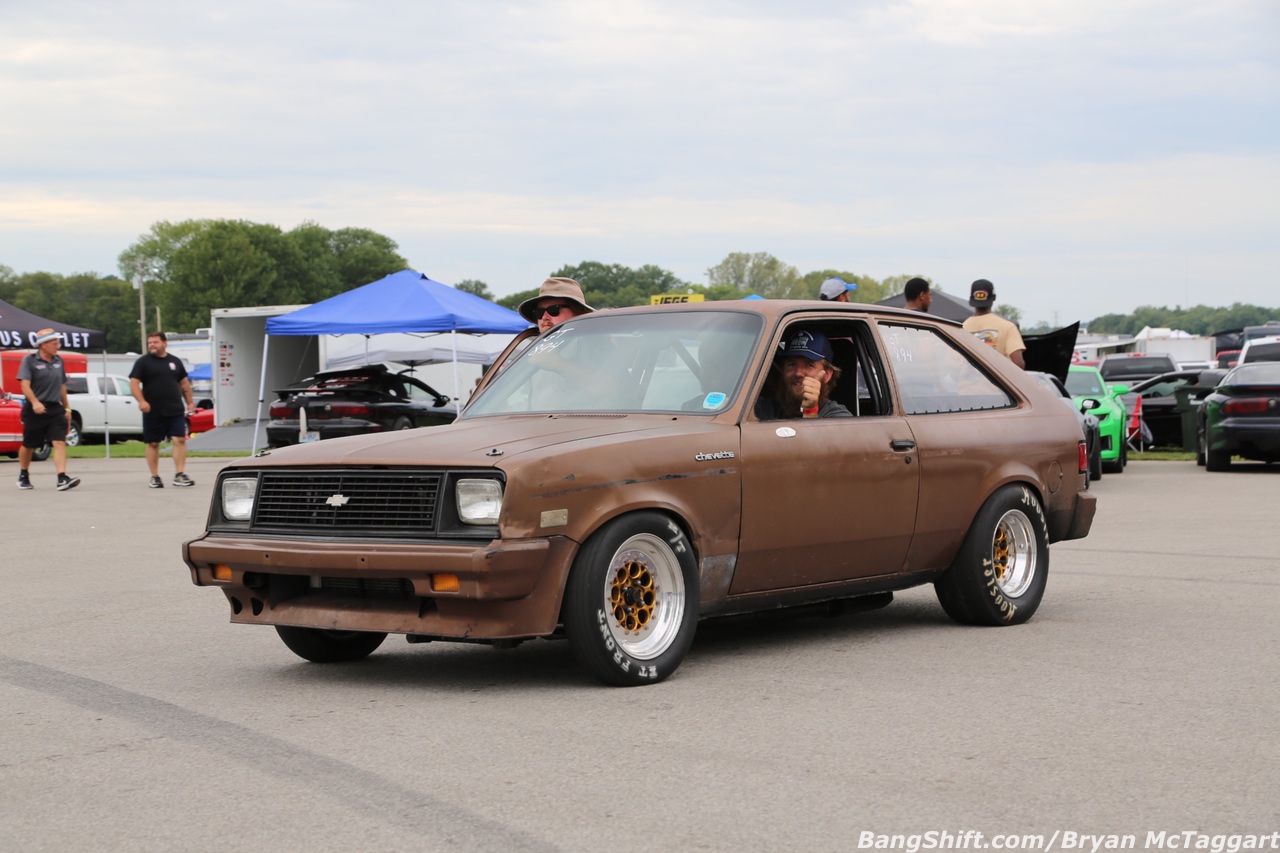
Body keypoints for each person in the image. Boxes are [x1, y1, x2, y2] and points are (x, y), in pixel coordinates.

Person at [15, 329, 80, 491]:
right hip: (34, 408)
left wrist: (67, 407)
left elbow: (61, 386)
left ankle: (62, 478)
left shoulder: (59, 361)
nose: (58, 346)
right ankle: (23, 474)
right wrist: (35, 403)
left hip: (54, 408)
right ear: (43, 345)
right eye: (55, 344)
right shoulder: (29, 360)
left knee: (59, 441)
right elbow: (24, 385)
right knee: (29, 444)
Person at [129, 331, 196, 488]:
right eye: (150, 342)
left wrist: (190, 403)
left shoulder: (174, 362)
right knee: (153, 443)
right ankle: (155, 476)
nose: (152, 345)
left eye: (155, 342)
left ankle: (179, 474)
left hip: (174, 409)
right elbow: (134, 383)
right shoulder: (143, 362)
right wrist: (141, 401)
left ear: (164, 343)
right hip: (153, 410)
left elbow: (184, 383)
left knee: (179, 439)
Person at [754, 330, 853, 419]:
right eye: (791, 364)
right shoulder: (763, 410)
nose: (798, 373)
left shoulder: (839, 417)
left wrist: (810, 411)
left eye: (809, 365)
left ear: (827, 374)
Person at [962, 279, 1025, 368]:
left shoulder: (961, 328)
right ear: (994, 297)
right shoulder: (1007, 327)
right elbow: (1018, 363)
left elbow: (952, 363)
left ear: (971, 299)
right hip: (996, 382)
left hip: (966, 381)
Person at [517, 277, 594, 333]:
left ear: (577, 312)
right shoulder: (535, 350)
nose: (544, 317)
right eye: (539, 312)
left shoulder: (591, 343)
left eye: (553, 310)